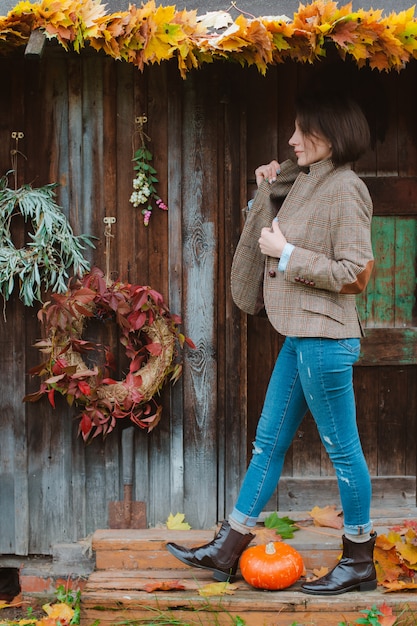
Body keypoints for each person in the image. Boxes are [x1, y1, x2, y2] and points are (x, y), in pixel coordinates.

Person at [167, 91, 376, 596]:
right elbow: (276, 215)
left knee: (342, 452)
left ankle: (359, 559)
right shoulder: (308, 180)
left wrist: (287, 255)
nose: (291, 140)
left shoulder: (347, 189)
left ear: (331, 134)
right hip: (299, 337)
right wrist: (269, 183)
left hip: (325, 341)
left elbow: (355, 275)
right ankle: (230, 546)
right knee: (268, 443)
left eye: (302, 131)